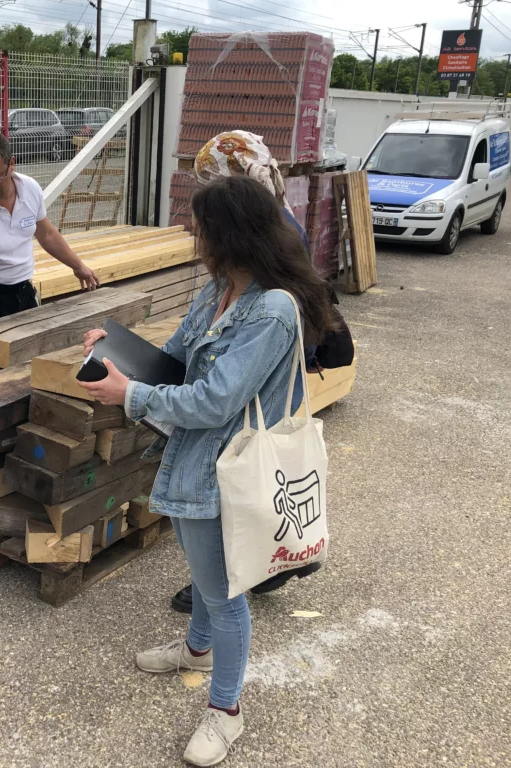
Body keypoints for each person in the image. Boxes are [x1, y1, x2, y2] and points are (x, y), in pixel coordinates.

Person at [78, 176, 337, 766]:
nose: (193, 238)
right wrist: (114, 351)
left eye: (200, 229)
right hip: (198, 462)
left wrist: (130, 396)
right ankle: (197, 650)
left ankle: (227, 711)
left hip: (230, 468)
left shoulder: (271, 310)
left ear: (230, 234)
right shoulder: (220, 288)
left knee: (223, 594)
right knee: (203, 569)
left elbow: (214, 400)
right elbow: (172, 362)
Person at [168, 130, 323, 614]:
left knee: (257, 467)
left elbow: (227, 388)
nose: (197, 239)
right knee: (260, 469)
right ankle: (253, 562)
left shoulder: (266, 249)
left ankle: (250, 567)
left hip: (264, 369)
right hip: (260, 365)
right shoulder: (264, 227)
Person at [0, 131, 100, 338]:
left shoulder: (30, 189)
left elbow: (46, 234)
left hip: (24, 291)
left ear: (11, 164)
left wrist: (78, 266)